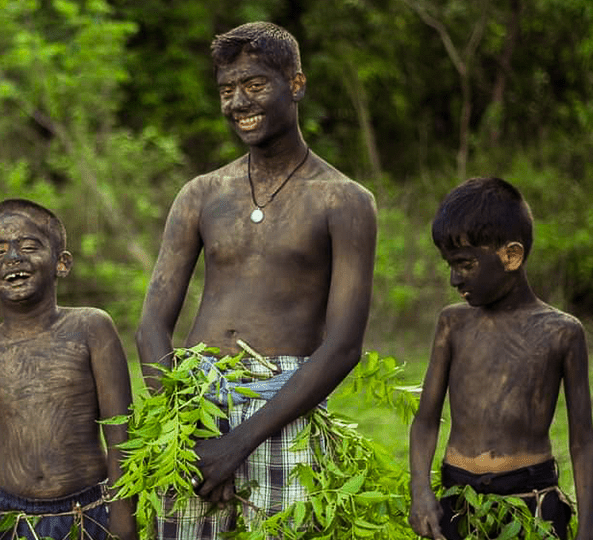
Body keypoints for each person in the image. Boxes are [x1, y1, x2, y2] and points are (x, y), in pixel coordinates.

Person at [135, 21, 377, 537]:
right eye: (227, 90)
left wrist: (236, 444)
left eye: (255, 85)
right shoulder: (201, 194)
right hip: (193, 404)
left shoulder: (344, 200)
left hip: (286, 402)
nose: (238, 102)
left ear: (296, 84)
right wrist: (184, 432)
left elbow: (343, 346)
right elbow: (152, 326)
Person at [409, 177, 593, 540]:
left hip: (532, 504)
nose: (454, 278)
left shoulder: (561, 332)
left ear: (511, 256)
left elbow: (583, 440)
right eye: (449, 264)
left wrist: (587, 530)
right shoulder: (453, 324)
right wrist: (421, 490)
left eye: (465, 264)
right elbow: (425, 421)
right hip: (458, 503)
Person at [0, 199, 137, 540]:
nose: (13, 259)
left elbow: (121, 434)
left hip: (88, 514)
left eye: (28, 247)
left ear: (62, 263)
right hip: (10, 520)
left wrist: (123, 520)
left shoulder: (91, 328)